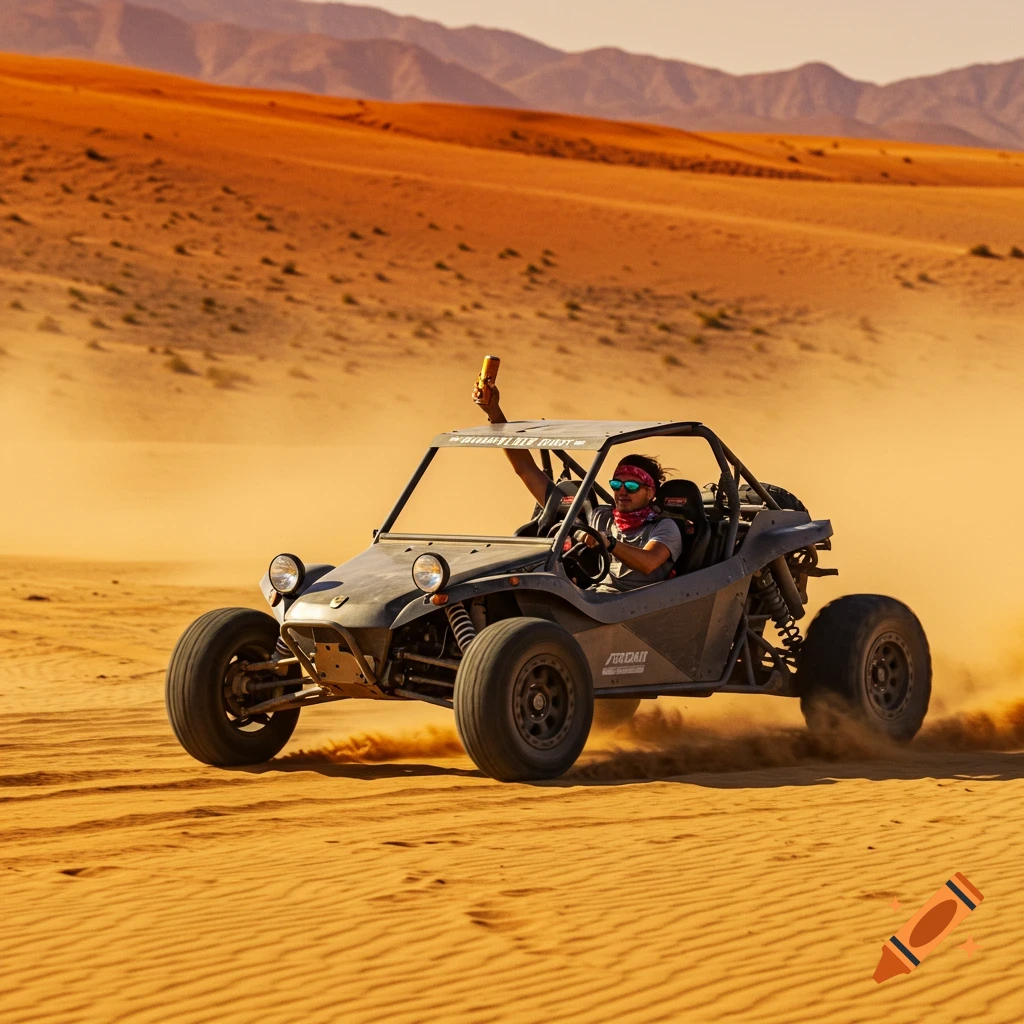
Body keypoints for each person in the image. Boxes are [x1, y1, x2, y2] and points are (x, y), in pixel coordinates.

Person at [473, 382, 681, 593]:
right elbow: (526, 470)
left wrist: (608, 542)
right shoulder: (602, 517)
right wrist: (495, 413)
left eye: (631, 485)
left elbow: (648, 563)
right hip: (596, 599)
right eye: (616, 484)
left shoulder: (663, 527)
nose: (622, 491)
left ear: (650, 492)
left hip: (638, 607)